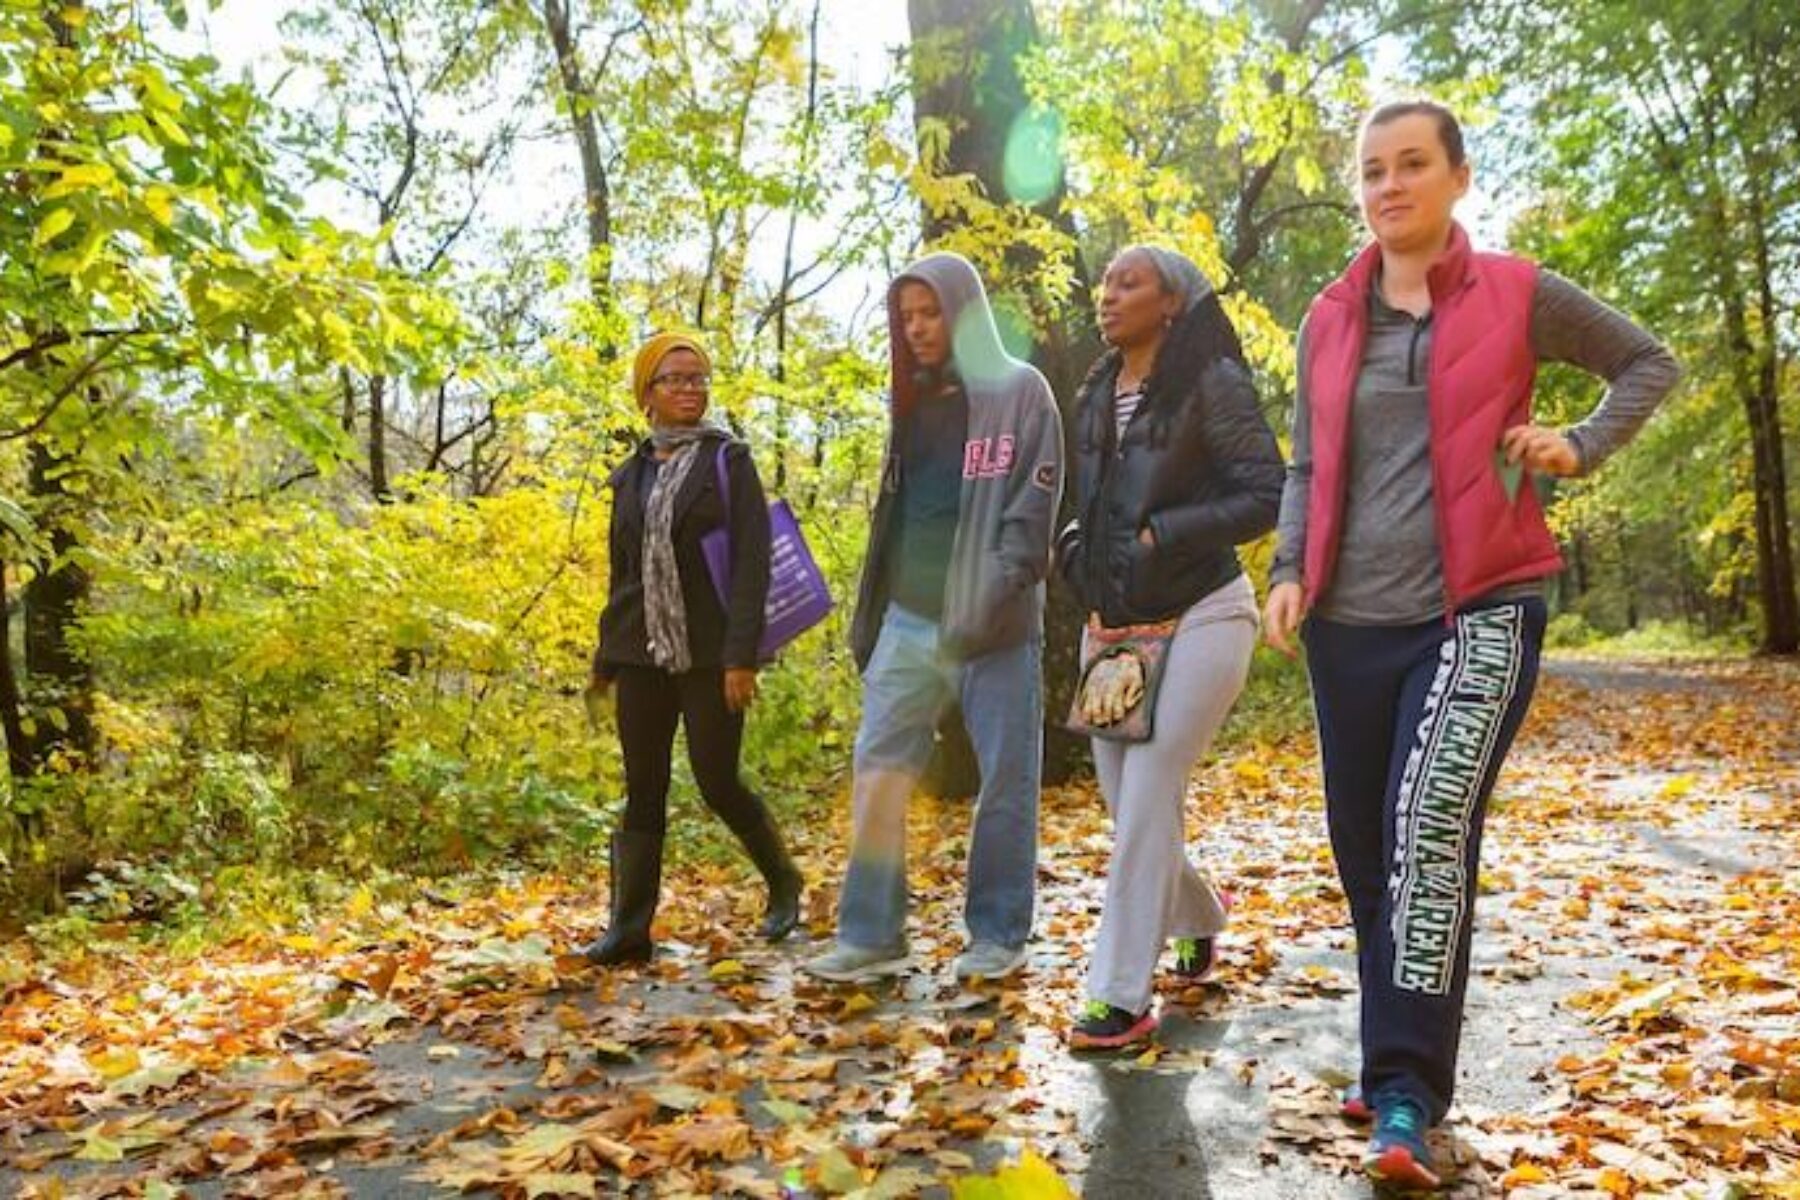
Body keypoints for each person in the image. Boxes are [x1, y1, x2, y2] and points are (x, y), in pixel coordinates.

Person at [1263, 100, 1681, 1189]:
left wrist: (1579, 445)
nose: (1389, 185)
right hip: (1345, 624)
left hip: (1483, 603)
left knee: (1429, 825)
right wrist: (1285, 571)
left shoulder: (1516, 291)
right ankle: (1382, 1054)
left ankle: (1407, 1091)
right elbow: (1307, 464)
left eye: (1412, 165)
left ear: (1457, 177)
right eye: (1371, 170)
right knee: (1367, 851)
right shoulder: (1328, 316)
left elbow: (1645, 362)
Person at [804, 251, 1063, 985]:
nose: (916, 329)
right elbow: (898, 512)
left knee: (1006, 781)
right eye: (905, 316)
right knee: (879, 772)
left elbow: (1031, 513)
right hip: (908, 624)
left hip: (994, 627)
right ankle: (872, 932)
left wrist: (993, 595)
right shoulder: (910, 401)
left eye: (930, 313)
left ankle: (997, 932)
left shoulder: (1021, 391)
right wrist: (876, 613)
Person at [1056, 246, 1283, 1050]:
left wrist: (1162, 535)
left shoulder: (1209, 382)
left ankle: (1119, 996)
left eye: (1130, 283)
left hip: (1204, 612)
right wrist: (1077, 550)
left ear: (1172, 303)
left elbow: (1267, 492)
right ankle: (1198, 914)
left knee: (1149, 790)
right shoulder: (1091, 393)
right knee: (1131, 809)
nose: (1108, 294)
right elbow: (1084, 500)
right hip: (1115, 627)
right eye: (1106, 281)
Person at [581, 331, 803, 966]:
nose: (689, 390)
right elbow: (621, 572)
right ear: (646, 393)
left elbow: (753, 563)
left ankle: (783, 879)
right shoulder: (629, 475)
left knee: (715, 778)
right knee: (642, 783)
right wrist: (606, 658)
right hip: (640, 651)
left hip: (711, 655)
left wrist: (742, 657)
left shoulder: (728, 462)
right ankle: (628, 929)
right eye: (674, 379)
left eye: (698, 378)